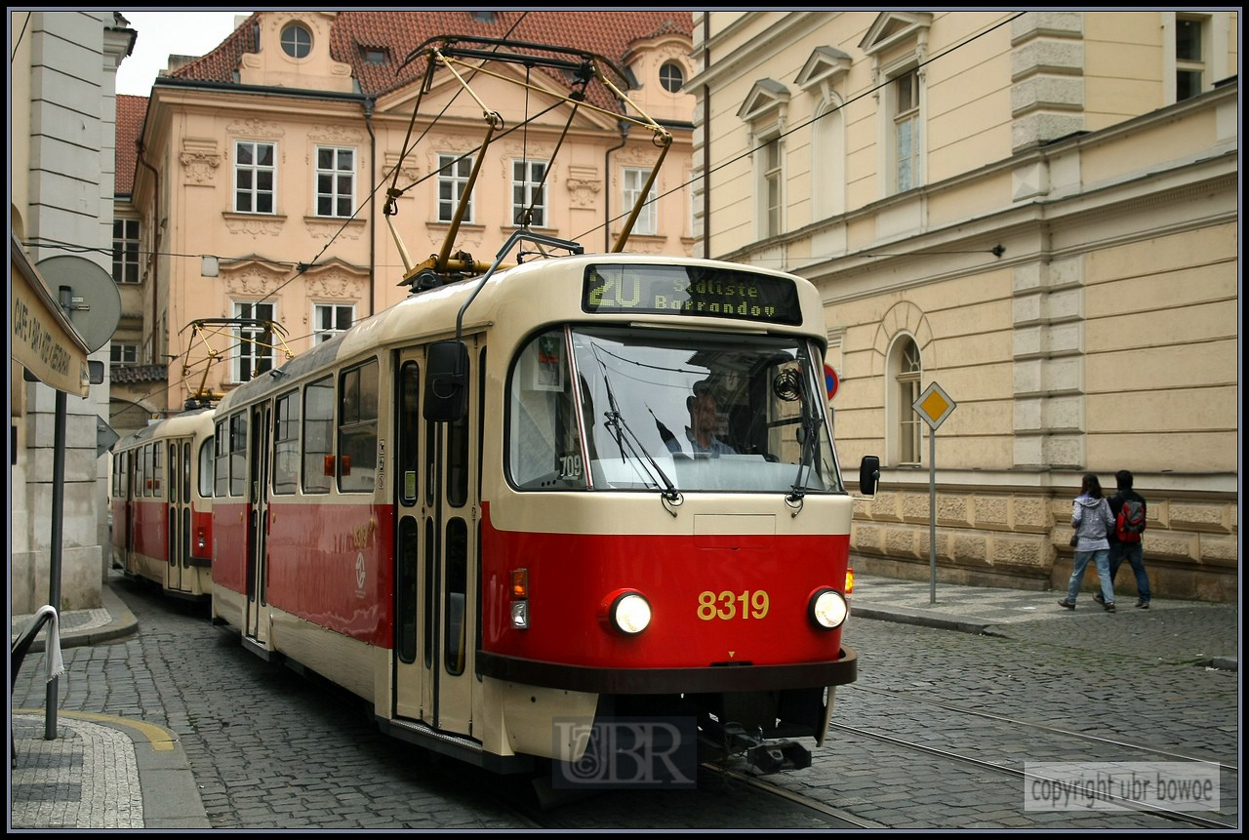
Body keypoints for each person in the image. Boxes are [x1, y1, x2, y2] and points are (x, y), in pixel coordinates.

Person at [1058, 473, 1117, 612]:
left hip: (1084, 542)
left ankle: (1071, 600)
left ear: (1084, 485)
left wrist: (1075, 524)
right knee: (1104, 573)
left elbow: (1076, 520)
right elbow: (1111, 521)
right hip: (1101, 542)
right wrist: (1106, 532)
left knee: (1077, 572)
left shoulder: (1079, 501)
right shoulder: (1103, 501)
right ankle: (1109, 602)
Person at [1101, 469, 1151, 609]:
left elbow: (1109, 521)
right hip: (1135, 538)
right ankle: (1145, 599)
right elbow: (1143, 521)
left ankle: (1103, 595)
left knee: (1110, 569)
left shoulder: (1113, 499)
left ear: (1118, 482)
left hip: (1118, 539)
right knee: (1139, 569)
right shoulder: (1140, 499)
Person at [662, 379, 736, 457]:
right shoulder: (672, 449)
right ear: (693, 410)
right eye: (705, 409)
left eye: (713, 410)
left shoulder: (726, 452)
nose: (710, 415)